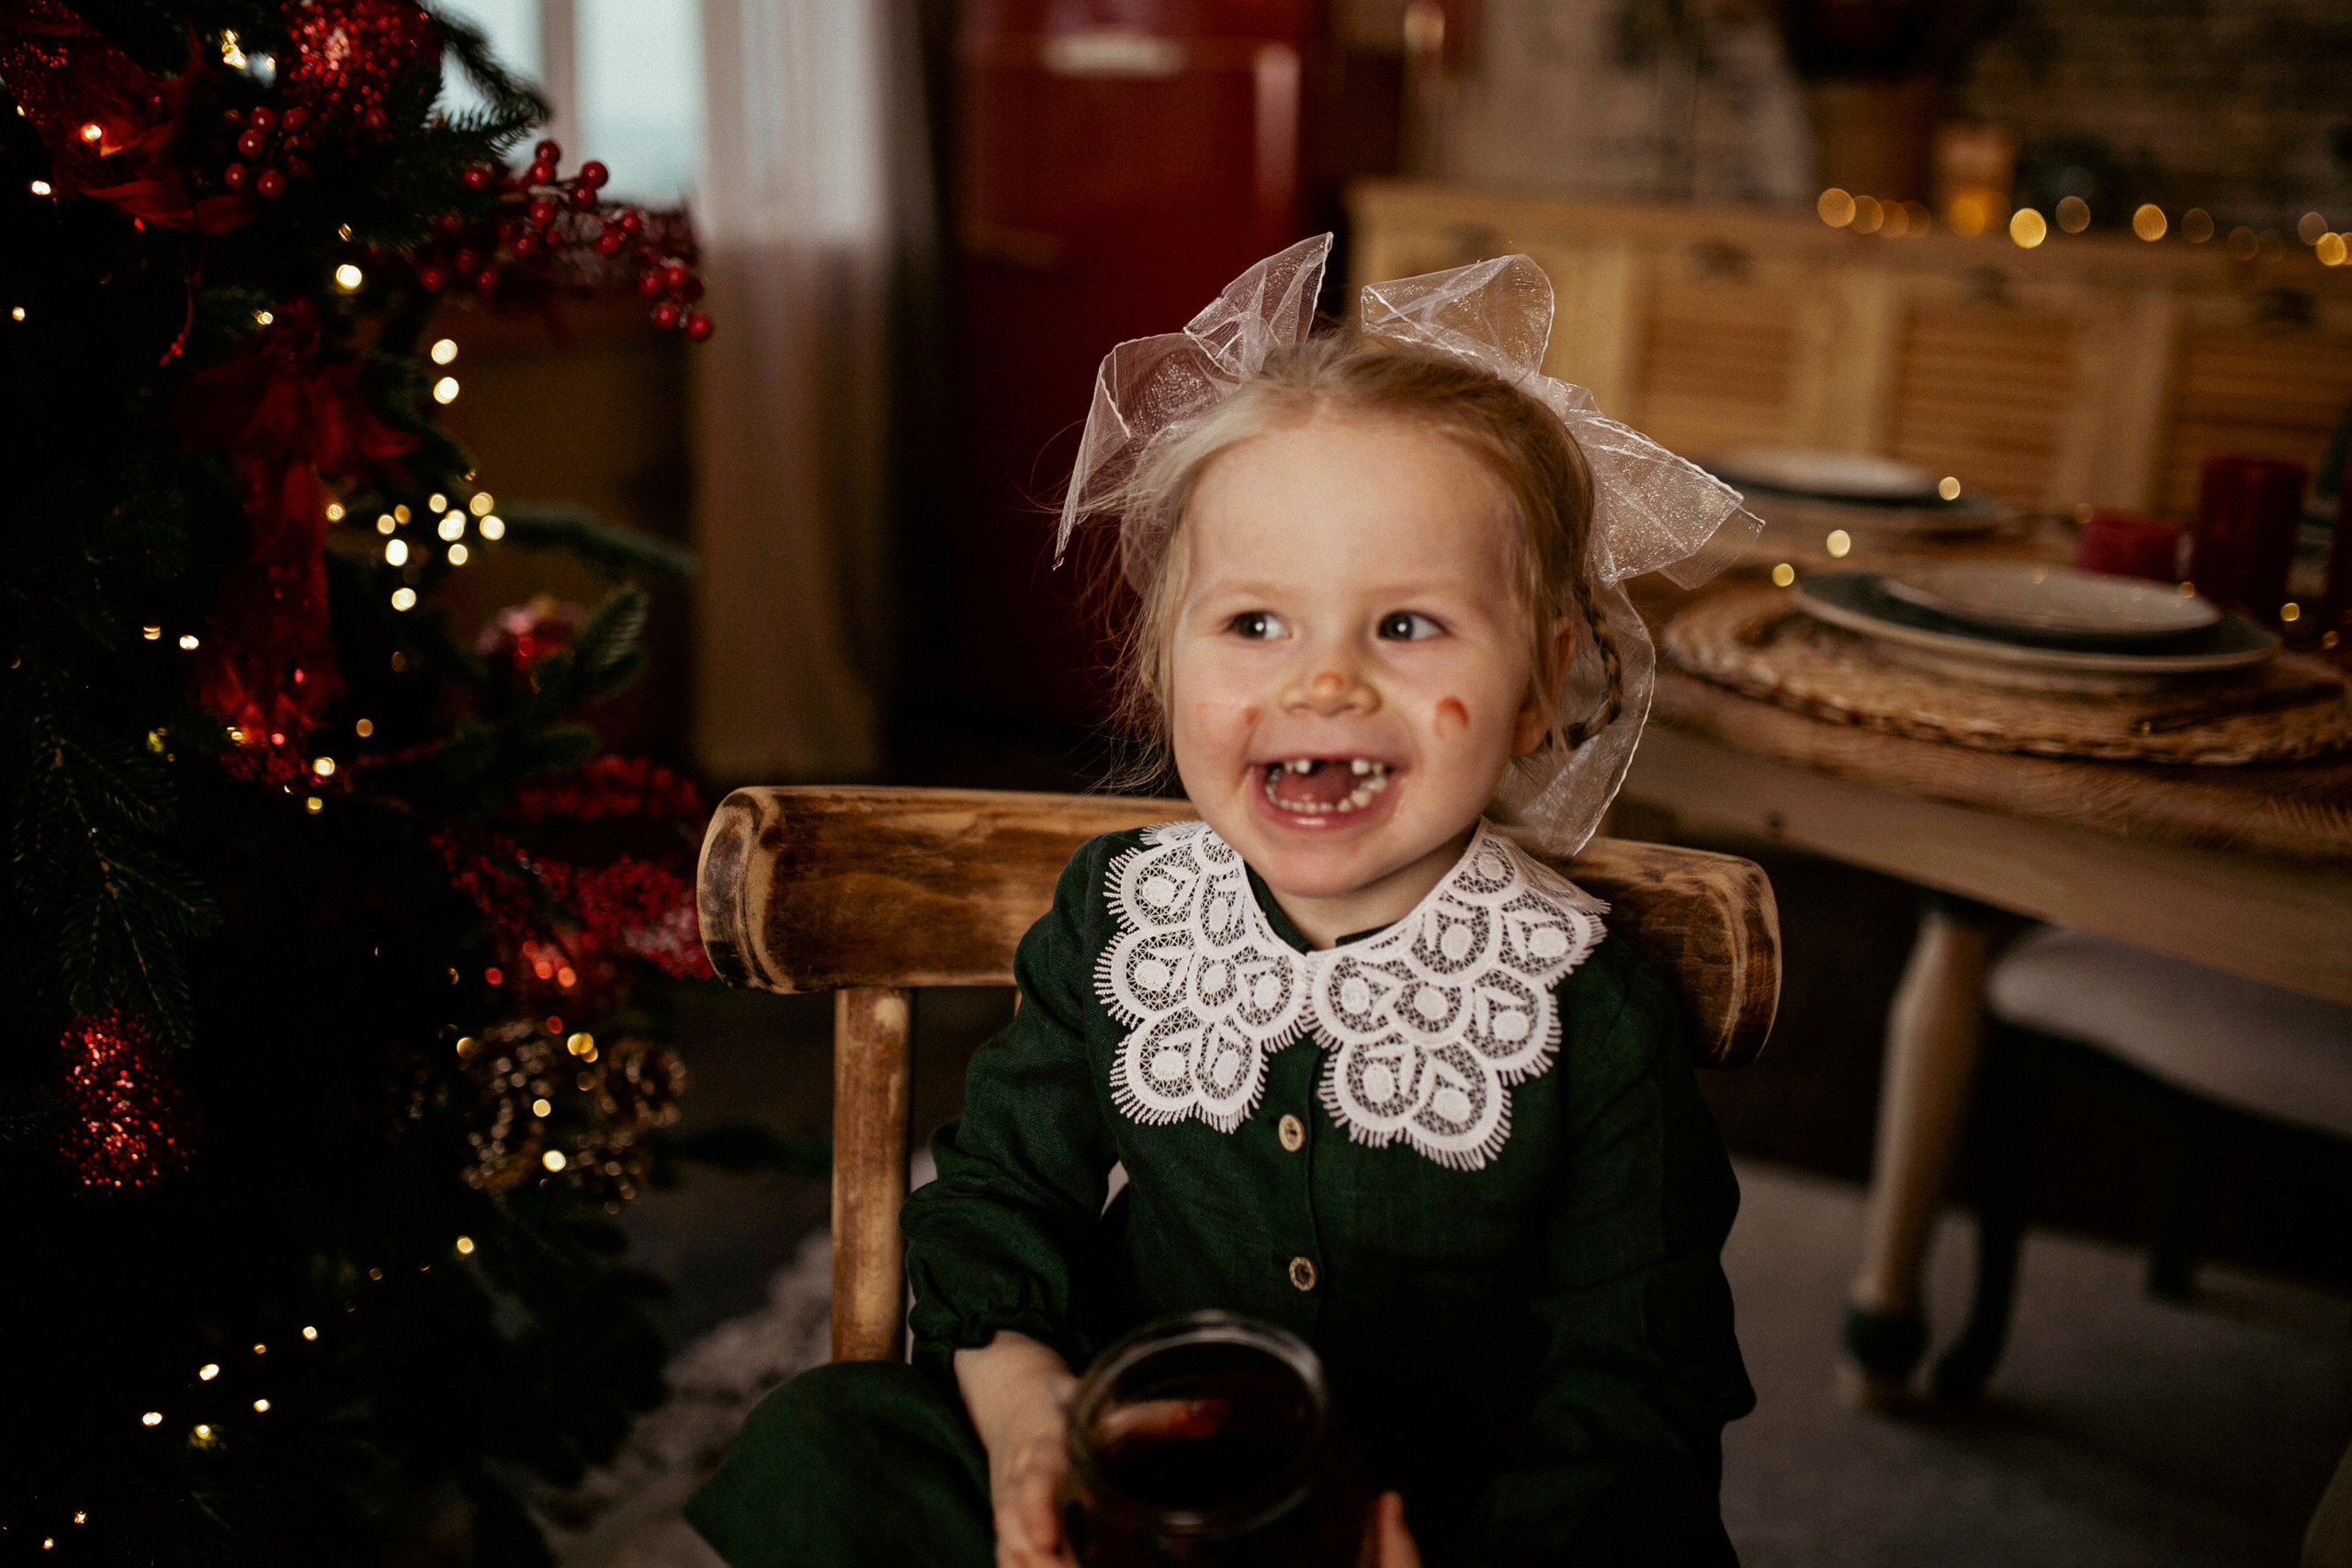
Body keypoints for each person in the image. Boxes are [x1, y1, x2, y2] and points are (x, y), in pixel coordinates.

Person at [686, 235, 1760, 1567]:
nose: (1322, 684)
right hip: (1142, 1480)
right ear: (1165, 659)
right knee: (828, 1445)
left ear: (1541, 684)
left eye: (1407, 625)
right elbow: (996, 1201)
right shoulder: (1127, 917)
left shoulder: (1583, 1007)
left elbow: (1638, 1380)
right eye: (1256, 625)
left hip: (1437, 1519)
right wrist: (1032, 1421)